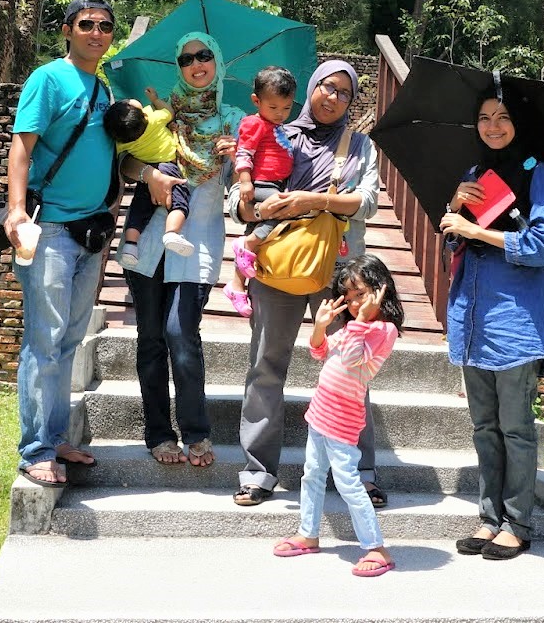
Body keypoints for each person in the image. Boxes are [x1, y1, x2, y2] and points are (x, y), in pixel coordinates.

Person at [234, 59, 385, 508]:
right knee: (266, 363)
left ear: (351, 101)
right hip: (279, 261)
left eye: (343, 92)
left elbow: (368, 202)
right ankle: (258, 472)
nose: (332, 97)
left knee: (351, 368)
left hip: (340, 273)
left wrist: (313, 198)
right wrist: (257, 209)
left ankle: (359, 470)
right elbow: (239, 200)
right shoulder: (277, 129)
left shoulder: (360, 146)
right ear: (312, 88)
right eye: (326, 86)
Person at [439, 86, 544, 560]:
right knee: (484, 428)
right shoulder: (475, 175)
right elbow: (455, 243)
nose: (493, 126)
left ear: (519, 124)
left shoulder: (539, 174)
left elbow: (543, 245)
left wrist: (477, 229)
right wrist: (454, 210)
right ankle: (489, 519)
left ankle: (519, 522)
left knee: (515, 428)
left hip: (515, 321)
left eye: (503, 117)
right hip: (472, 318)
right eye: (485, 117)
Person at [4, 0, 118, 487]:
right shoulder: (48, 78)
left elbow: (114, 160)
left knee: (69, 341)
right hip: (49, 228)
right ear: (68, 30)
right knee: (44, 341)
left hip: (91, 231)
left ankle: (55, 436)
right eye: (87, 24)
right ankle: (36, 449)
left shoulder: (105, 91)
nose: (97, 32)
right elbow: (21, 148)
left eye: (105, 26)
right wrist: (15, 209)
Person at [124, 32, 243, 467]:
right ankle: (158, 433)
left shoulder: (234, 119)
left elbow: (242, 190)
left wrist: (237, 161)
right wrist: (150, 174)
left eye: (205, 55)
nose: (196, 63)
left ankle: (196, 431)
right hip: (149, 241)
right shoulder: (163, 113)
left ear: (218, 62)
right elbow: (127, 161)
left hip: (197, 241)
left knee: (180, 334)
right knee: (151, 340)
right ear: (179, 66)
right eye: (187, 57)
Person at [270, 255, 402, 578]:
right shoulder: (350, 328)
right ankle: (308, 533)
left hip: (343, 419)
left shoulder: (383, 330)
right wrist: (319, 326)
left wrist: (361, 321)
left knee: (348, 483)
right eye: (351, 297)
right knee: (312, 474)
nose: (356, 303)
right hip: (320, 413)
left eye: (362, 294)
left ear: (381, 290)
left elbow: (357, 361)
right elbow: (320, 352)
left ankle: (376, 547)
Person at [226, 65, 299, 316]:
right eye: (274, 107)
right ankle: (248, 244)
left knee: (273, 218)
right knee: (289, 208)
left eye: (287, 108)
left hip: (275, 184)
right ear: (256, 101)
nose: (280, 114)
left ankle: (237, 287)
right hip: (261, 185)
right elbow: (245, 152)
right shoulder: (254, 123)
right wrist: (245, 180)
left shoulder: (276, 126)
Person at [103, 89, 205, 268]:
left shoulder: (121, 142)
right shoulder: (153, 119)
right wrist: (156, 100)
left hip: (148, 173)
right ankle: (172, 232)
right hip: (169, 168)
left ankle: (130, 245)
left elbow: (118, 159)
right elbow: (169, 112)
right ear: (143, 116)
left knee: (139, 208)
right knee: (180, 203)